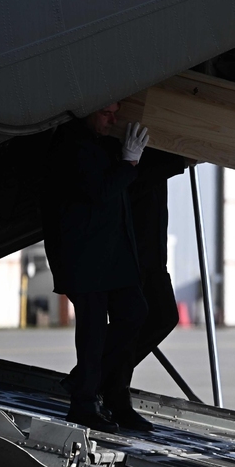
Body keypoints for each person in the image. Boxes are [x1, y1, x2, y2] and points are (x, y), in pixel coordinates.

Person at [42, 103, 150, 432]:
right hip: (82, 255)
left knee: (134, 313)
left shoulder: (96, 142)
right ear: (87, 110)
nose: (113, 120)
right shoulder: (72, 144)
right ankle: (83, 403)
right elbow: (99, 191)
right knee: (93, 332)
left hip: (107, 255)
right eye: (106, 113)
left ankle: (87, 384)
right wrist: (128, 163)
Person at [119, 148, 191, 423]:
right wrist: (178, 161)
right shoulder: (131, 154)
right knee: (134, 324)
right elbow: (133, 185)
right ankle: (110, 388)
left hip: (153, 256)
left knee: (162, 316)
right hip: (133, 256)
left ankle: (102, 377)